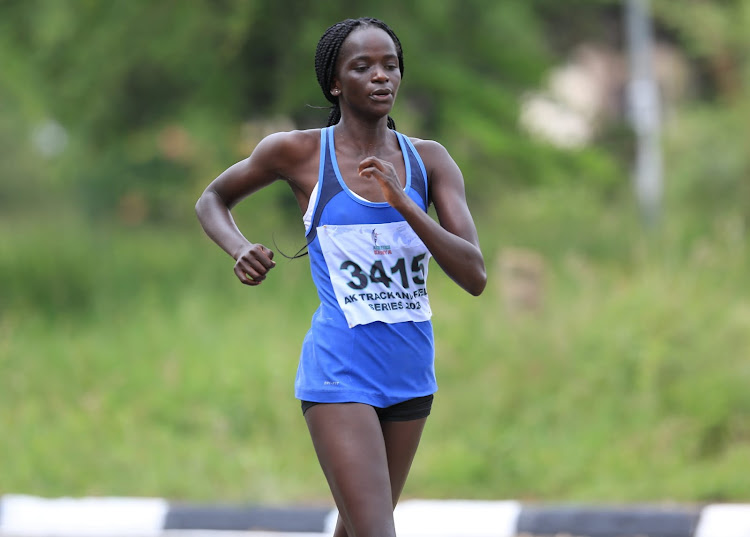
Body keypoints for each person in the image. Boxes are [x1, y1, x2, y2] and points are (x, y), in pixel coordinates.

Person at [195, 17, 486, 537]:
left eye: (391, 66)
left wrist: (405, 204)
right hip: (340, 374)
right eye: (363, 67)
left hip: (410, 373)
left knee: (356, 531)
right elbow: (212, 198)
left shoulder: (431, 162)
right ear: (335, 82)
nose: (382, 77)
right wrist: (238, 248)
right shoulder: (300, 153)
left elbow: (474, 273)